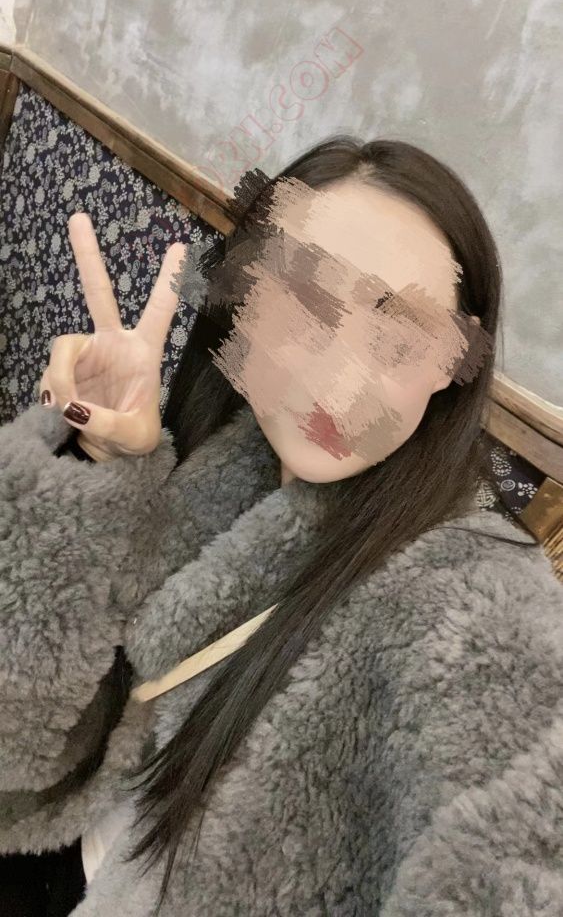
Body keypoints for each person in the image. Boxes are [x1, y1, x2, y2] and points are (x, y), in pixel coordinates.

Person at [1, 135, 562, 916]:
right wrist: (97, 465)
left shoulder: (481, 603)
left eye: (398, 331)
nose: (336, 381)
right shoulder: (220, 453)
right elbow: (23, 731)